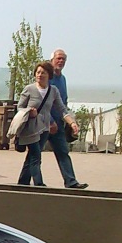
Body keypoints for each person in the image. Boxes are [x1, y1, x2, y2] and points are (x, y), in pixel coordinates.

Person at [45, 49, 88, 189]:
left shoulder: (63, 79)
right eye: (58, 58)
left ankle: (71, 181)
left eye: (63, 59)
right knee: (34, 155)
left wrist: (69, 122)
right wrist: (50, 120)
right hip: (44, 122)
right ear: (52, 60)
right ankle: (24, 181)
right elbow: (41, 101)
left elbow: (63, 102)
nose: (61, 61)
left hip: (58, 123)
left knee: (63, 152)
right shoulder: (47, 77)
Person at [15, 62, 61, 186]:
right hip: (30, 129)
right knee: (36, 156)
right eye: (38, 72)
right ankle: (39, 184)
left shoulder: (53, 91)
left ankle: (23, 182)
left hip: (44, 129)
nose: (40, 75)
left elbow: (61, 108)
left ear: (49, 75)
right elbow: (19, 107)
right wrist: (29, 112)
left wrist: (72, 123)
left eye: (43, 73)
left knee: (31, 156)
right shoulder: (29, 89)